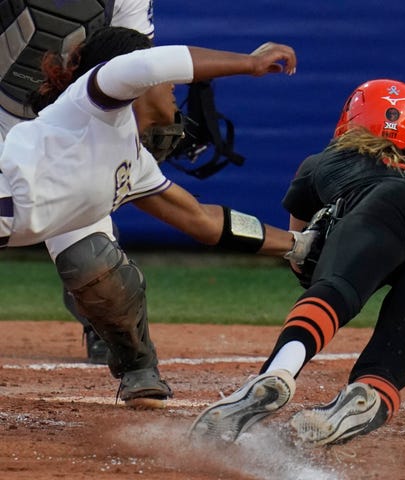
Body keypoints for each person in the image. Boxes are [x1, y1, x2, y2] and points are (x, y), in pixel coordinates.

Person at [0, 26, 319, 408]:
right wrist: (249, 63)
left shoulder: (135, 163)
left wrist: (299, 246)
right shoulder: (92, 99)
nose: (173, 88)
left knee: (97, 264)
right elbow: (150, 63)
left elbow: (202, 220)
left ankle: (138, 368)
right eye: (166, 82)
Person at [189, 78, 405, 446]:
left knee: (332, 294)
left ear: (350, 119)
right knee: (384, 370)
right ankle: (368, 394)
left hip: (384, 206)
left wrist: (336, 271)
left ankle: (278, 372)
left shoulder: (323, 161)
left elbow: (300, 253)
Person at [0, 0, 154, 364]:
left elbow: (134, 58)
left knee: (95, 265)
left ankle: (133, 360)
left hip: (68, 122)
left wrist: (141, 127)